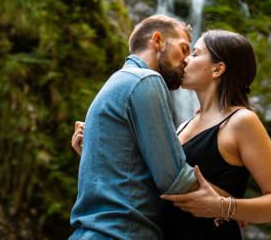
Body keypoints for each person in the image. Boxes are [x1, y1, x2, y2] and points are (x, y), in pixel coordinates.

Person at [72, 26, 271, 239]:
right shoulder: (181, 127)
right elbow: (157, 183)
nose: (185, 60)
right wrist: (99, 149)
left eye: (195, 54)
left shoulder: (242, 121)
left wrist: (225, 207)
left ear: (218, 68)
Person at [69, 15, 232, 240]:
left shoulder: (116, 83)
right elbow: (173, 178)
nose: (186, 61)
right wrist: (228, 206)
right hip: (121, 234)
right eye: (184, 49)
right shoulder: (145, 80)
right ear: (158, 41)